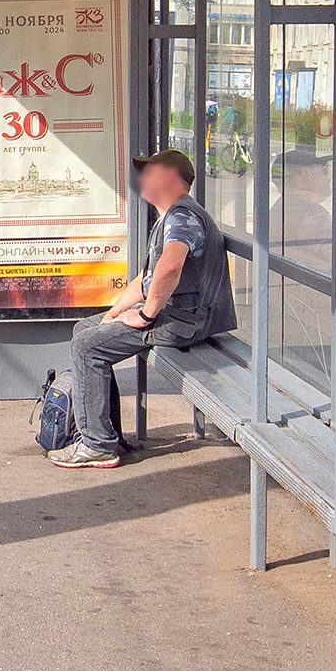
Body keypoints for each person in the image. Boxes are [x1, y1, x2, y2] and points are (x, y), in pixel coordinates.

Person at [47, 149, 238, 469]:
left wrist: (146, 314)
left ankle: (97, 445)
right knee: (86, 329)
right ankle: (106, 432)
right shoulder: (171, 216)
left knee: (86, 347)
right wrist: (112, 314)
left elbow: (170, 267)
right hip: (178, 314)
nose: (143, 180)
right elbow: (147, 278)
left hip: (183, 321)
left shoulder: (182, 217)